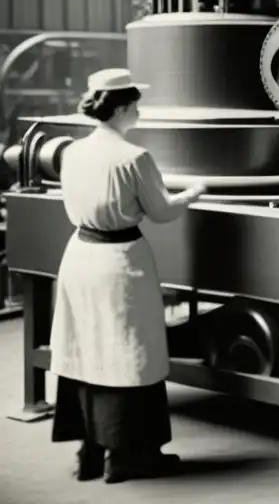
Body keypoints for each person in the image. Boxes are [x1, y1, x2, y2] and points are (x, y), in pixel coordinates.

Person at [49, 68, 207, 483]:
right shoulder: (134, 157)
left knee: (87, 351)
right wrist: (194, 193)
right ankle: (130, 457)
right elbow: (162, 211)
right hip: (119, 262)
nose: (139, 109)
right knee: (130, 356)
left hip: (80, 256)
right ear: (119, 108)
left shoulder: (72, 152)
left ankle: (89, 452)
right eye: (135, 103)